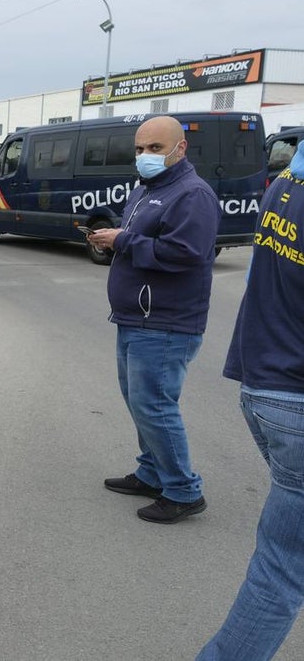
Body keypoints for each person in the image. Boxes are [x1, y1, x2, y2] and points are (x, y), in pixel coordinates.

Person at [196, 151, 304, 660]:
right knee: (283, 571)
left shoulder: (290, 180)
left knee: (283, 562)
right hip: (294, 398)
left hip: (266, 384)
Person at [89, 115, 220, 524]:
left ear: (180, 149)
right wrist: (116, 238)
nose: (144, 156)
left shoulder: (192, 194)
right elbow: (143, 240)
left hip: (164, 322)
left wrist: (122, 240)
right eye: (140, 149)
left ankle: (183, 490)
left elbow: (186, 253)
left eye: (155, 149)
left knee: (155, 405)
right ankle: (152, 472)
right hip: (136, 317)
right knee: (139, 401)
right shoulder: (148, 188)